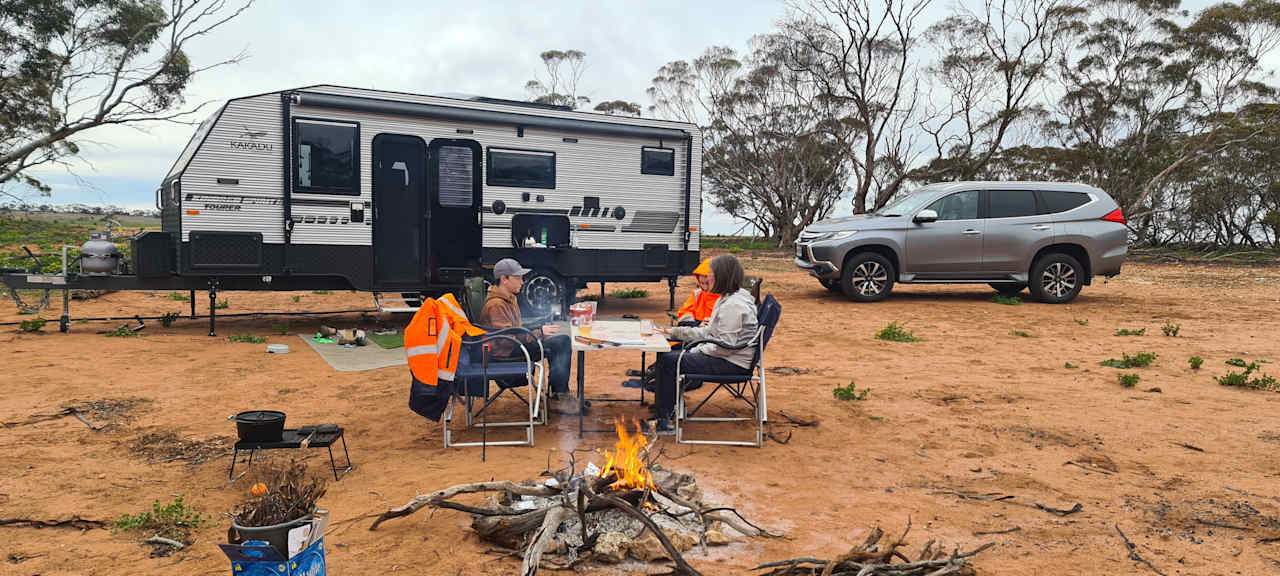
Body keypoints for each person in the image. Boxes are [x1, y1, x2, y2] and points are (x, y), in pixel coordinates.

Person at [652, 254, 758, 434]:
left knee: (669, 361)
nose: (707, 278)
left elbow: (724, 346)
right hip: (729, 357)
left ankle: (665, 420)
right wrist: (673, 332)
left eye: (711, 274)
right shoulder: (730, 297)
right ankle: (669, 410)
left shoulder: (733, 305)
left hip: (732, 364)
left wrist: (697, 349)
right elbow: (708, 333)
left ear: (722, 276)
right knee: (669, 355)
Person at [480, 258, 577, 414]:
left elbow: (514, 329)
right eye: (518, 278)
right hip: (505, 354)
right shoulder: (496, 304)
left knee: (559, 341)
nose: (522, 282)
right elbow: (506, 339)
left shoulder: (510, 299)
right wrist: (539, 333)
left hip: (514, 346)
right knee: (561, 343)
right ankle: (560, 397)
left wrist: (540, 329)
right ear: (504, 279)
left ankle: (560, 395)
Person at [674, 258, 720, 326]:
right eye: (702, 283)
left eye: (708, 283)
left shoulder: (728, 297)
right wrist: (697, 324)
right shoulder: (697, 295)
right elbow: (684, 314)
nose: (705, 287)